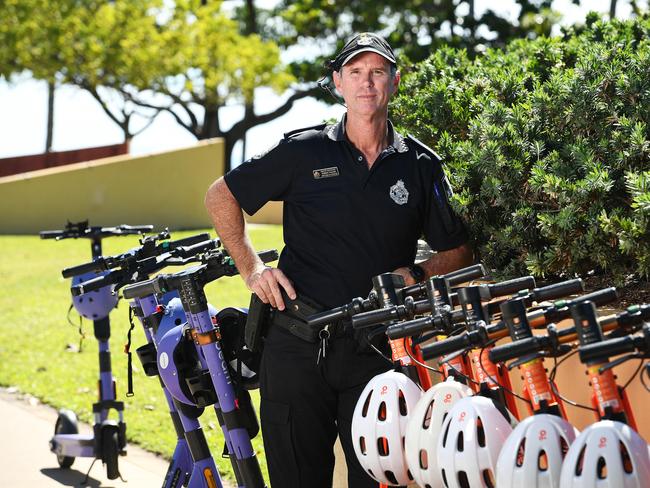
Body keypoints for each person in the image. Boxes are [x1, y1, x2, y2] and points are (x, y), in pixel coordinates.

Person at [205, 32, 472, 488]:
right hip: (294, 342)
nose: (366, 83)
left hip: (378, 351)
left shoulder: (421, 165)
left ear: (394, 81)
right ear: (337, 83)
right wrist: (252, 268)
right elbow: (221, 195)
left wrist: (420, 273)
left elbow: (458, 250)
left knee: (377, 481)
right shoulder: (303, 151)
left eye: (377, 72)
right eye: (355, 73)